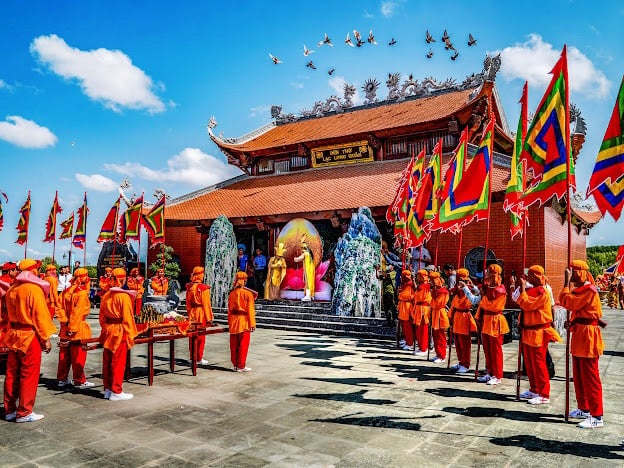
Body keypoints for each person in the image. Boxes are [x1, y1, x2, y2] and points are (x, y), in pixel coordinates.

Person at [2, 259, 57, 422]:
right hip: (29, 335)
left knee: (12, 372)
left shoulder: (12, 289)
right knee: (29, 374)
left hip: (14, 334)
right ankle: (24, 412)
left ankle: (9, 409)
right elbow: (39, 317)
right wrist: (45, 338)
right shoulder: (34, 289)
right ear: (33, 270)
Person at [559, 260, 605, 429]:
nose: (572, 273)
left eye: (575, 270)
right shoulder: (580, 290)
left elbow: (569, 302)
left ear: (583, 273)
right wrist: (572, 322)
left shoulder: (589, 290)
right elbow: (578, 311)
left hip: (588, 337)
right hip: (579, 334)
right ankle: (584, 408)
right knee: (578, 376)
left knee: (591, 377)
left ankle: (597, 415)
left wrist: (565, 283)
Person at [511, 265, 561, 405]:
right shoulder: (530, 289)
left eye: (531, 275)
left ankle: (544, 394)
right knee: (529, 363)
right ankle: (534, 389)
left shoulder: (543, 292)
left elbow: (527, 305)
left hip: (539, 332)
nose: (528, 277)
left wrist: (521, 289)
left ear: (537, 276)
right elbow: (518, 300)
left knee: (539, 364)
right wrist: (519, 288)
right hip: (528, 331)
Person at [99, 267, 138, 401]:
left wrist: (105, 329)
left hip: (108, 329)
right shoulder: (124, 296)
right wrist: (131, 334)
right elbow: (128, 318)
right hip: (119, 330)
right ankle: (116, 390)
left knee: (108, 360)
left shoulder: (106, 295)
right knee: (118, 361)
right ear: (123, 279)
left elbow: (101, 317)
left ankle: (108, 389)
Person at [57, 268, 94, 389]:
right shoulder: (81, 293)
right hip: (77, 328)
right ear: (83, 278)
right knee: (78, 356)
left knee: (64, 356)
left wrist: (64, 323)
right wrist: (72, 328)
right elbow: (77, 312)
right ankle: (79, 380)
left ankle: (62, 379)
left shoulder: (65, 291)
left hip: (65, 327)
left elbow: (59, 308)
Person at [475, 264, 509, 386]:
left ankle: (497, 375)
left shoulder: (500, 289)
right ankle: (489, 372)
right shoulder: (489, 287)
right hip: (487, 320)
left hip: (495, 320)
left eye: (489, 272)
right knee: (487, 349)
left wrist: (483, 297)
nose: (486, 273)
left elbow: (494, 307)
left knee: (495, 350)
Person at [448, 268, 478, 373]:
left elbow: (474, 296)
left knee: (464, 342)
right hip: (456, 316)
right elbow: (451, 292)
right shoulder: (457, 288)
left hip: (464, 316)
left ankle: (466, 364)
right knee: (457, 341)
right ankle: (461, 361)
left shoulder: (469, 288)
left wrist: (466, 286)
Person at [228, 271, 257, 372]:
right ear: (244, 280)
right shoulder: (248, 294)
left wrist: (229, 322)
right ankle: (241, 365)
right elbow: (250, 310)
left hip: (234, 320)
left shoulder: (231, 293)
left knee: (234, 344)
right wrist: (252, 324)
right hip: (244, 321)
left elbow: (229, 310)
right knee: (243, 345)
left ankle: (235, 364)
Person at [185, 266, 213, 366]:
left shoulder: (189, 287)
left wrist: (189, 313)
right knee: (201, 337)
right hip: (201, 313)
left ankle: (192, 357)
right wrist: (209, 318)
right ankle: (199, 358)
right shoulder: (203, 288)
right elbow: (206, 304)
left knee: (192, 336)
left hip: (192, 313)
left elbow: (187, 304)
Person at [429, 271, 449, 363]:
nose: (430, 282)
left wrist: (431, 303)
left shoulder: (443, 291)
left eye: (432, 280)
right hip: (435, 314)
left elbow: (437, 304)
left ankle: (442, 355)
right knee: (435, 335)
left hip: (440, 314)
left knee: (441, 336)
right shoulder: (435, 290)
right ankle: (438, 353)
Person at [412, 269, 432, 355]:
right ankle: (421, 347)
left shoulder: (427, 285)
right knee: (419, 329)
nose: (417, 277)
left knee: (423, 329)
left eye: (418, 276)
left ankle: (424, 348)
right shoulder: (422, 285)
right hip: (418, 308)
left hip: (424, 309)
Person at [397, 270, 416, 351]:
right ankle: (407, 340)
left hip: (408, 306)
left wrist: (414, 280)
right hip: (402, 305)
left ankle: (410, 343)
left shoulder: (411, 283)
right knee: (404, 325)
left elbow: (416, 288)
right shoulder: (404, 284)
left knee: (407, 325)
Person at [294, 234, 315, 302]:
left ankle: (308, 296)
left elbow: (297, 259)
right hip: (311, 270)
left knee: (308, 282)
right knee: (310, 282)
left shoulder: (305, 254)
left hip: (308, 270)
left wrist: (295, 258)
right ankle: (311, 295)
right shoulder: (310, 254)